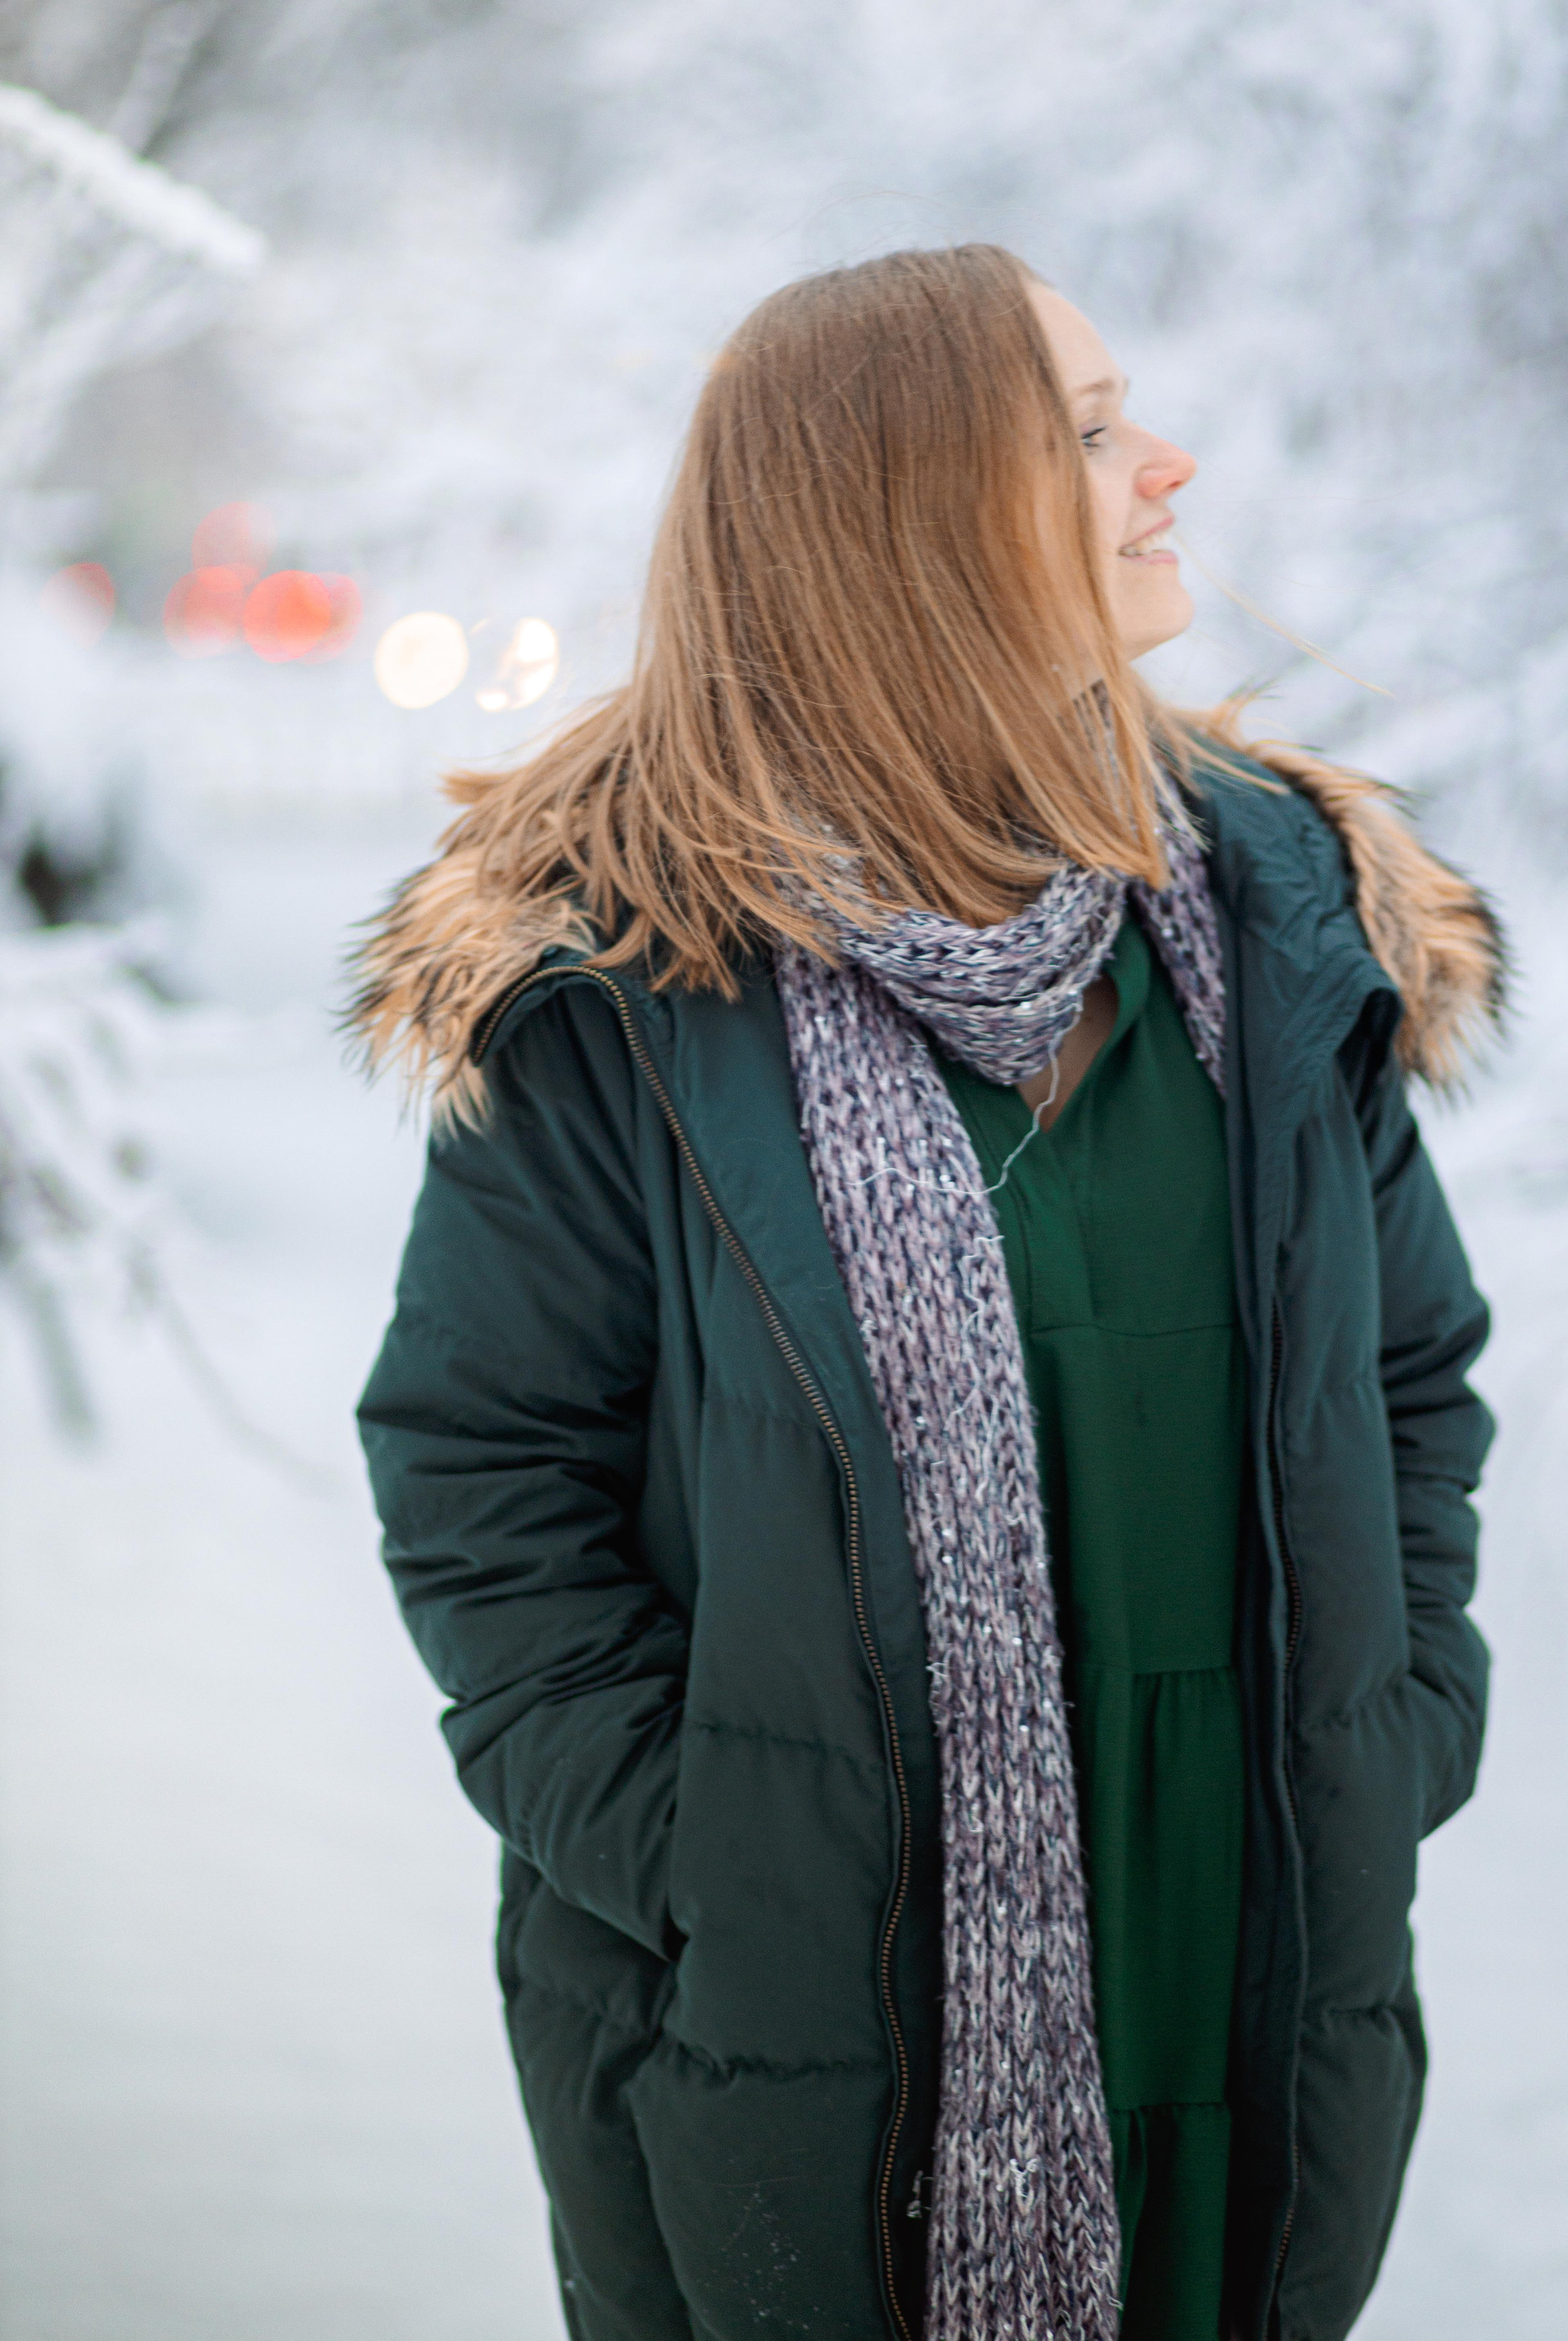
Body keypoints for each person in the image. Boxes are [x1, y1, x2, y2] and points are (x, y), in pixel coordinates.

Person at [350, 244, 1501, 2341]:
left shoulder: (1284, 919)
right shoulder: (630, 974)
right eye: (1090, 429)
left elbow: (1410, 1380)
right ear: (911, 508)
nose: (1168, 466)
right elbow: (482, 1480)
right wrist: (716, 1859)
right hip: (804, 2036)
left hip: (1246, 1964)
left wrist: (1392, 1737)